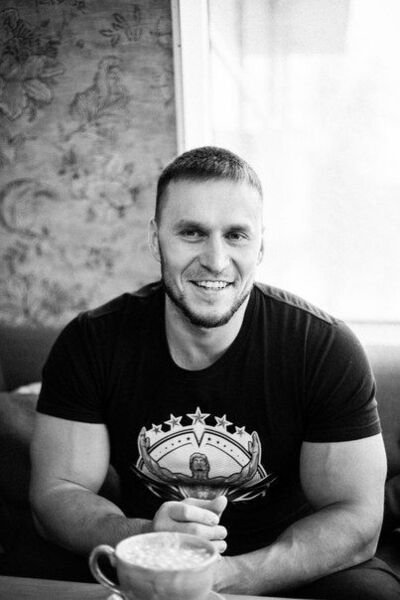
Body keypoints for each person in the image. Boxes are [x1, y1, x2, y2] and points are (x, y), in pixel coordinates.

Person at [30, 146, 400, 599]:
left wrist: (228, 576)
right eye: (192, 233)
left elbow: (358, 518)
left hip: (289, 559)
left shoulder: (323, 347)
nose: (216, 259)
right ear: (155, 240)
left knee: (371, 595)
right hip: (148, 552)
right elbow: (56, 494)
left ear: (260, 245)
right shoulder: (92, 341)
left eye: (236, 235)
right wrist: (146, 538)